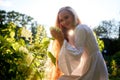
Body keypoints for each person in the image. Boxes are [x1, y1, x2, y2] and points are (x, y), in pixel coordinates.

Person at [49, 6, 108, 80]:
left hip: (94, 65)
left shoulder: (81, 28)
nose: (64, 22)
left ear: (73, 16)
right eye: (61, 20)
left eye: (66, 17)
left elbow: (77, 53)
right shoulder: (73, 33)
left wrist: (61, 40)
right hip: (88, 64)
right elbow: (73, 54)